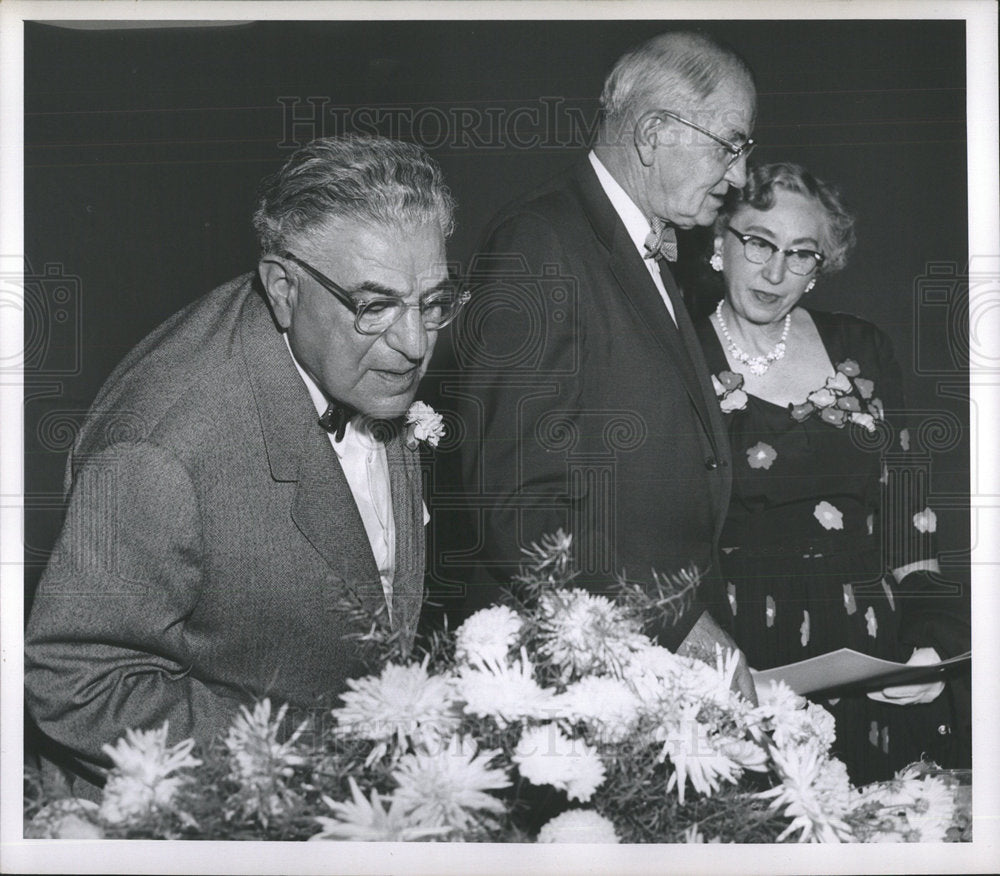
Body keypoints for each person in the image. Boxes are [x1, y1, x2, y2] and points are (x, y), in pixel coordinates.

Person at [24, 135, 466, 791]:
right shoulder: (159, 450)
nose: (413, 345)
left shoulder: (351, 354)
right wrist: (296, 764)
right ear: (283, 289)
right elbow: (78, 680)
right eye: (375, 307)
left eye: (432, 303)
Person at [452, 31, 757, 692]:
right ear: (653, 132)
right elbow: (519, 505)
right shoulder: (539, 243)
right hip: (597, 672)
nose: (739, 176)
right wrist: (673, 626)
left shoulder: (640, 247)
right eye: (731, 145)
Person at [694, 162, 970, 783]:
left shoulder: (862, 348)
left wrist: (930, 649)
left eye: (801, 254)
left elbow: (907, 510)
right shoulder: (676, 355)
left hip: (877, 650)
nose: (774, 271)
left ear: (820, 268)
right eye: (759, 241)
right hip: (745, 659)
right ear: (719, 241)